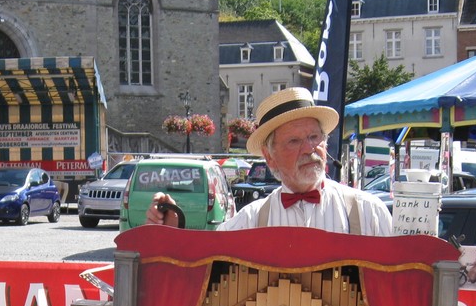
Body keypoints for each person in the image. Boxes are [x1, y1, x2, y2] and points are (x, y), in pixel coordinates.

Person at [145, 87, 393, 235]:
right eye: (294, 141)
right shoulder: (250, 222)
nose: (309, 148)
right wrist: (170, 232)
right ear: (269, 157)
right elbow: (201, 271)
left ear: (325, 143)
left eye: (314, 137)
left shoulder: (368, 212)